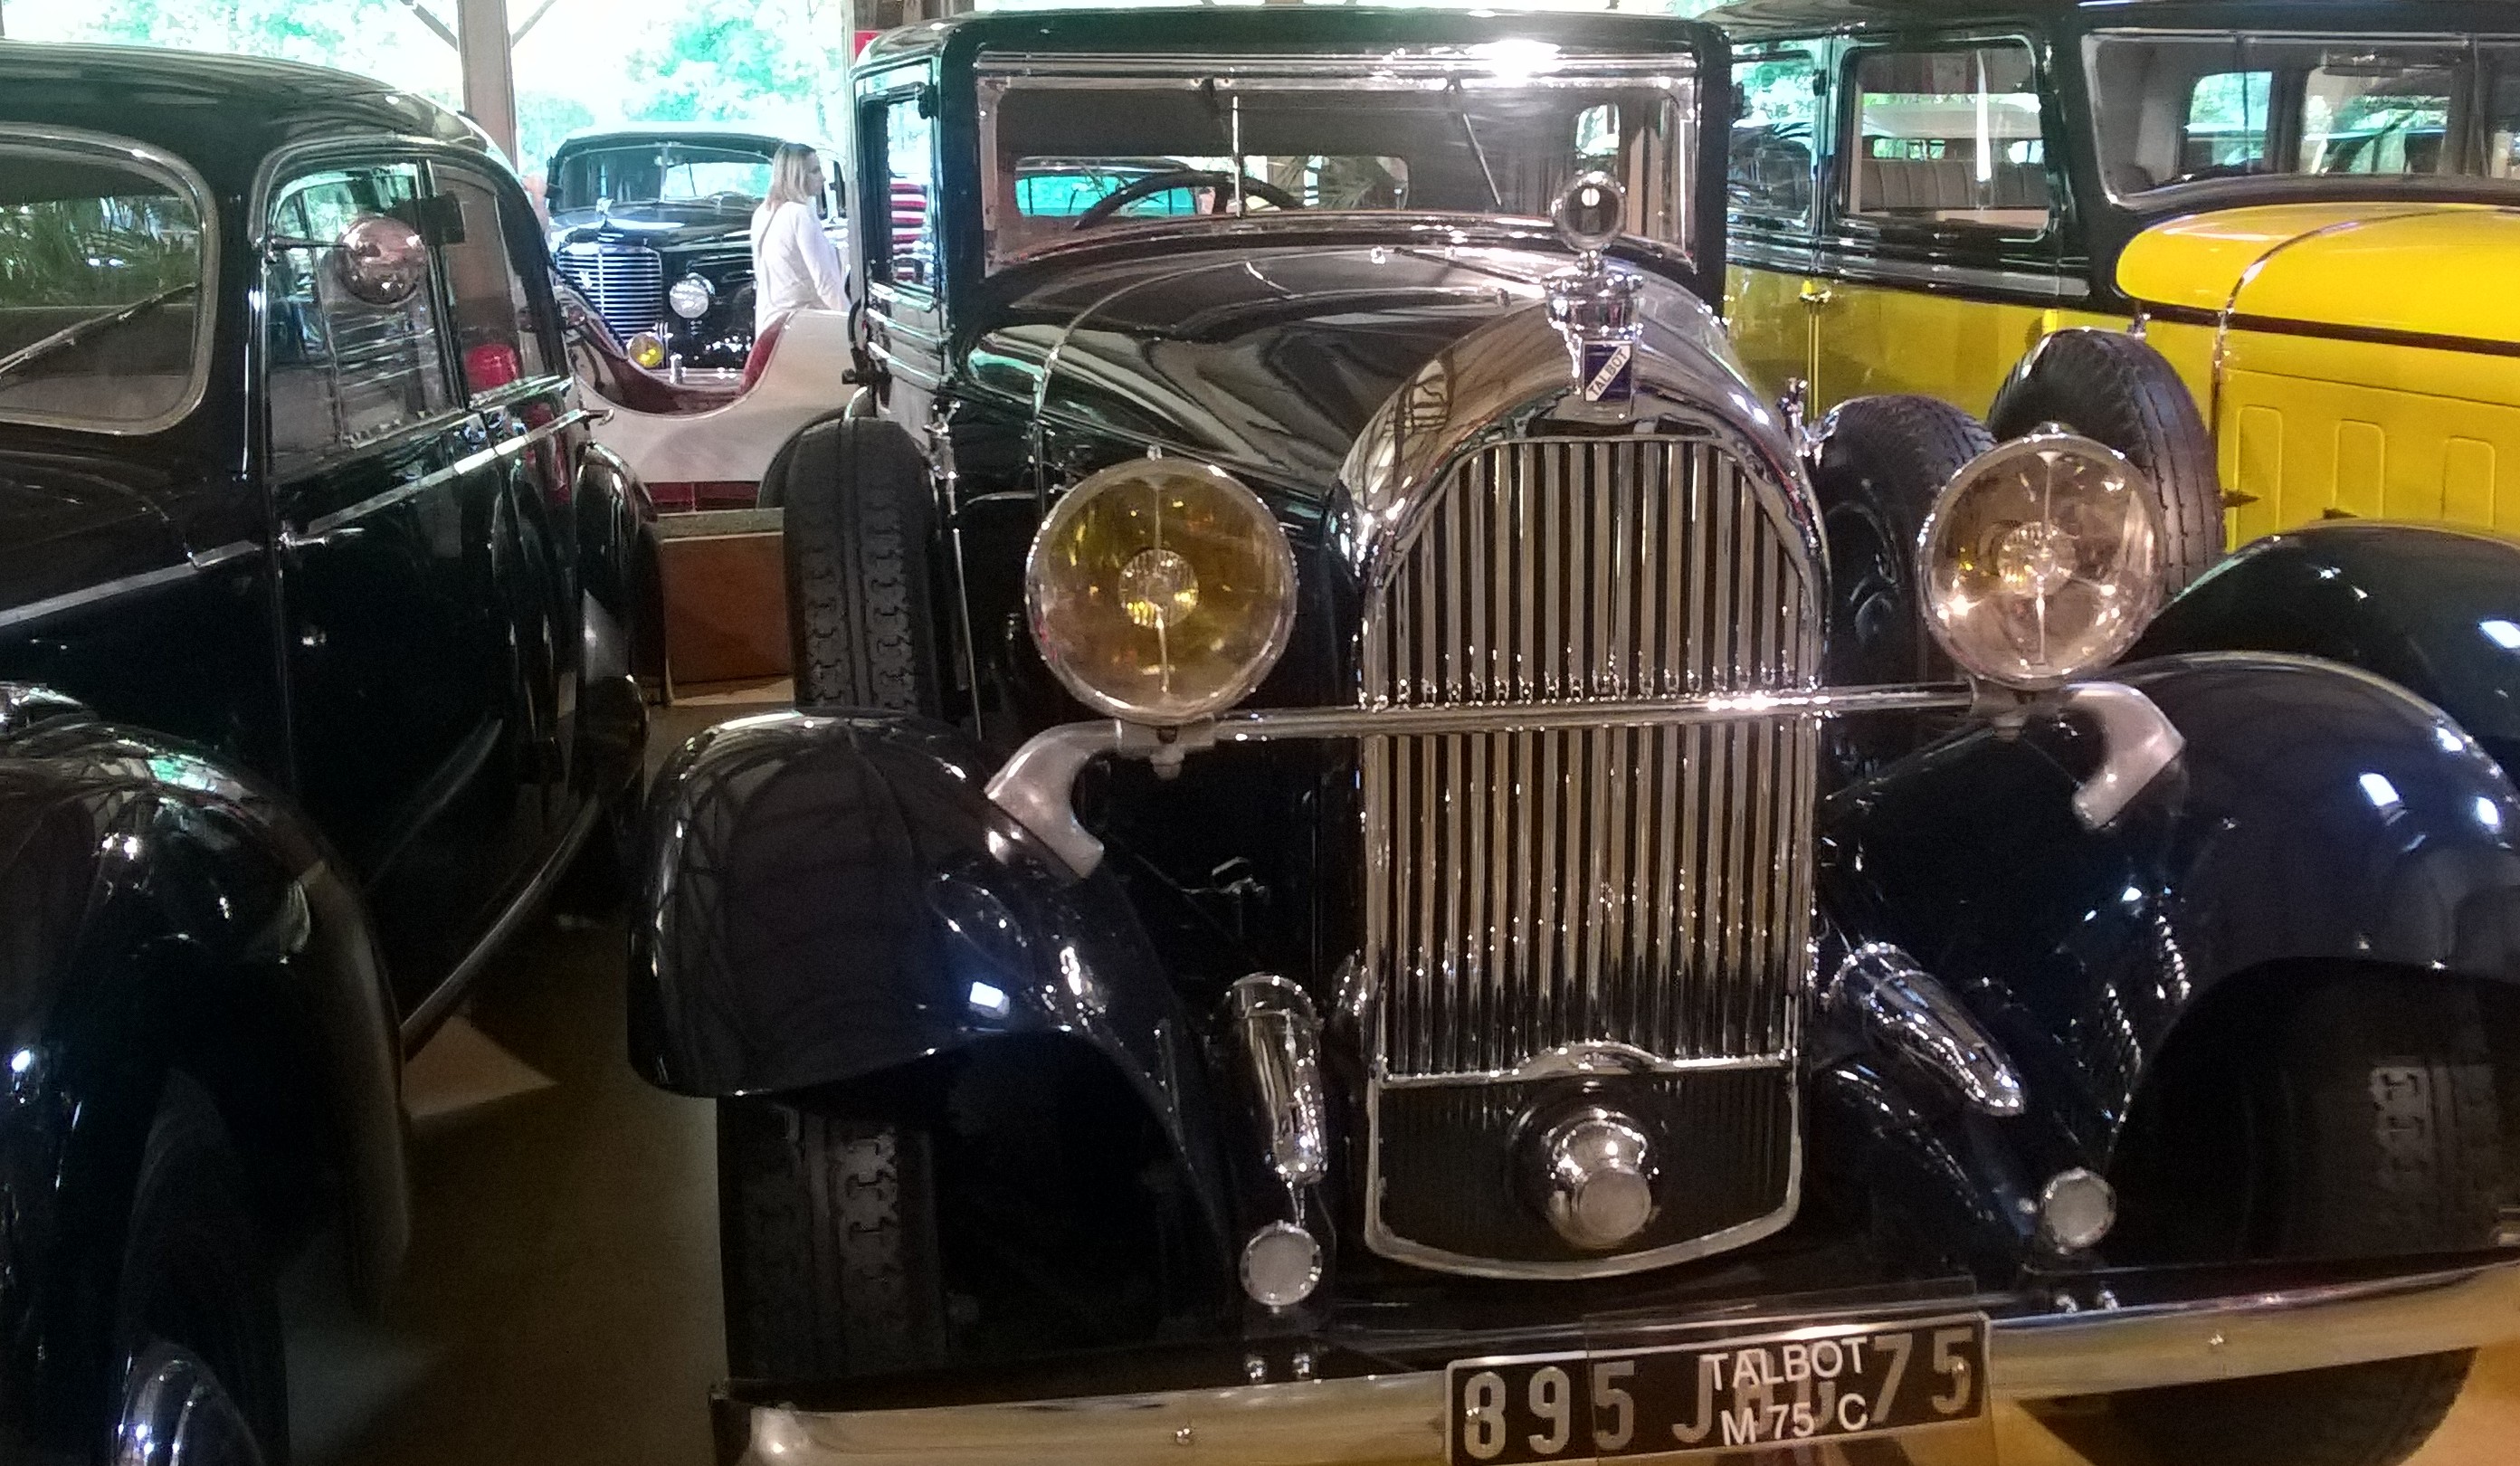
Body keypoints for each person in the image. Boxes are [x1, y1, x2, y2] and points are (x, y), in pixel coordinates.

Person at [749, 143, 846, 332]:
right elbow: (826, 284)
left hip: (769, 327)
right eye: (815, 171)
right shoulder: (800, 214)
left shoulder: (762, 213)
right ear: (797, 176)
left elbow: (760, 274)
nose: (823, 178)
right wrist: (850, 324)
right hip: (802, 327)